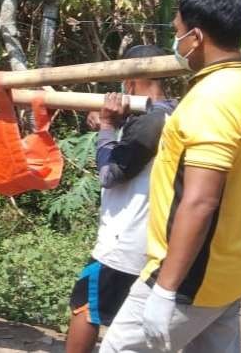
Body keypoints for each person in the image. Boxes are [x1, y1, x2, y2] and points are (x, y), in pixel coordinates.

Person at [99, 0, 241, 353]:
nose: (176, 41)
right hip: (233, 267)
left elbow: (200, 201)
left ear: (195, 37)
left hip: (192, 274)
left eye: (178, 30)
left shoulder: (212, 99)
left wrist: (165, 290)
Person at [66, 45, 177, 353]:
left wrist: (106, 128)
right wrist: (114, 127)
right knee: (130, 323)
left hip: (123, 242)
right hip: (156, 243)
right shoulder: (173, 113)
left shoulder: (151, 121)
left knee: (86, 306)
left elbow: (110, 175)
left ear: (129, 82)